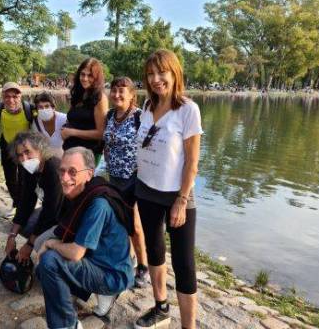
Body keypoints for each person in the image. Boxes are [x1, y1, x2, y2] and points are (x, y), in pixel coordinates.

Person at [134, 50, 203, 329]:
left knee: (185, 264)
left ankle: (189, 326)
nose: (156, 79)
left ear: (175, 73)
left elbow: (192, 161)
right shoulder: (147, 107)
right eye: (150, 74)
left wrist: (181, 200)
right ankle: (161, 307)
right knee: (154, 251)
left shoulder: (188, 109)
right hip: (146, 190)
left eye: (161, 72)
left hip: (178, 196)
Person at [37, 147, 134, 329]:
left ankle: (67, 325)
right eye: (62, 171)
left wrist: (50, 243)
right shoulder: (81, 192)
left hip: (112, 274)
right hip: (99, 261)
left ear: (89, 174)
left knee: (50, 262)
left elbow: (74, 254)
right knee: (42, 270)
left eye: (73, 172)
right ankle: (78, 303)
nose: (65, 178)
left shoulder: (98, 204)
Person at [103, 77, 149, 288]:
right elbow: (107, 144)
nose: (117, 94)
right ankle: (125, 260)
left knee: (136, 226)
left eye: (122, 91)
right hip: (114, 178)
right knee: (120, 223)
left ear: (132, 95)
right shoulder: (110, 115)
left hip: (134, 179)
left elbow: (151, 147)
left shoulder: (141, 117)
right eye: (114, 90)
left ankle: (143, 267)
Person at [5, 131, 66, 263]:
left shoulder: (53, 169)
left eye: (28, 152)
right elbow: (26, 201)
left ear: (40, 149)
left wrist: (29, 244)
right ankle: (43, 243)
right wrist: (12, 235)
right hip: (51, 210)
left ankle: (56, 254)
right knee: (24, 226)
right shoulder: (31, 169)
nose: (24, 159)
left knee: (39, 238)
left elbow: (51, 212)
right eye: (20, 155)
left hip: (66, 215)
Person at [0, 82, 35, 215]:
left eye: (15, 96)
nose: (11, 100)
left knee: (25, 179)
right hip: (7, 146)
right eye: (7, 96)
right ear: (2, 97)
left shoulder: (29, 110)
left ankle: (24, 208)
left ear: (20, 97)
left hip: (25, 149)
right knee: (10, 180)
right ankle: (17, 204)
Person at [61, 58, 108, 165]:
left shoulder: (100, 98)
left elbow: (101, 133)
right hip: (70, 149)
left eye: (90, 75)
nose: (85, 78)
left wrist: (72, 132)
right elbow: (74, 120)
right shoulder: (78, 94)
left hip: (88, 153)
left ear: (97, 78)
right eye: (83, 74)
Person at [31, 92, 67, 157]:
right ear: (37, 110)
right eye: (40, 107)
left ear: (53, 107)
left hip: (64, 157)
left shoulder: (64, 119)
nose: (44, 109)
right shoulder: (35, 123)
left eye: (47, 106)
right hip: (47, 159)